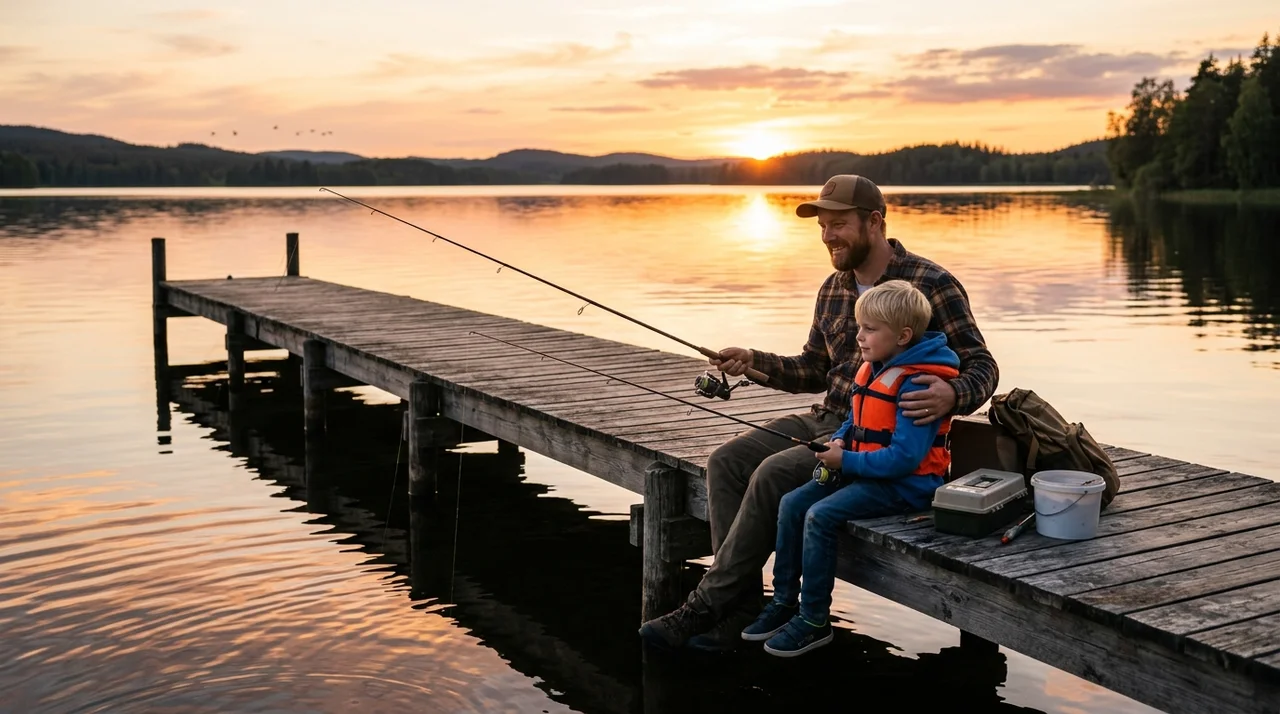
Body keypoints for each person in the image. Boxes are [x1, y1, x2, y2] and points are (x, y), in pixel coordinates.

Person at [638, 174, 1000, 651]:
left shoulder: (930, 283)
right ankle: (742, 606)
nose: (828, 236)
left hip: (878, 439)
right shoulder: (833, 288)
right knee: (727, 461)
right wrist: (752, 361)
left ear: (874, 222)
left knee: (770, 475)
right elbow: (812, 368)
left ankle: (705, 607)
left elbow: (984, 366)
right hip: (829, 415)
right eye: (823, 226)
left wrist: (954, 395)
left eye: (839, 224)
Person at [741, 280, 959, 657]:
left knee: (820, 515)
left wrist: (848, 462)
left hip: (907, 485)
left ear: (903, 335)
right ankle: (783, 600)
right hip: (864, 469)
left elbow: (905, 459)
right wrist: (840, 440)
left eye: (870, 330)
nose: (859, 337)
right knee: (792, 503)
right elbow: (854, 418)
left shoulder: (916, 386)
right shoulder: (876, 366)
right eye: (860, 327)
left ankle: (814, 619)